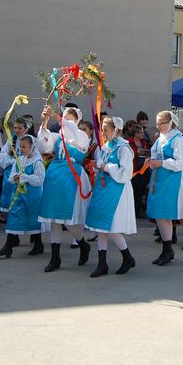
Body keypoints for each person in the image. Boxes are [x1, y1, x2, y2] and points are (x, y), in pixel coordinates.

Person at [37, 105, 93, 272]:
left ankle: (82, 243)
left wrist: (56, 116)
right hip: (55, 175)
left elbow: (72, 133)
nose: (66, 121)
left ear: (77, 120)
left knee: (67, 217)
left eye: (70, 118)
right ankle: (55, 258)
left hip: (71, 176)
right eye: (65, 118)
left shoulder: (81, 136)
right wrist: (45, 122)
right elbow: (44, 146)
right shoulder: (58, 136)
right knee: (53, 217)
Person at [84, 117, 137, 277]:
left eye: (105, 130)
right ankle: (102, 264)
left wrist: (105, 166)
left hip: (117, 192)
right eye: (102, 130)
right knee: (101, 228)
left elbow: (125, 173)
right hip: (104, 190)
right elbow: (103, 163)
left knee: (111, 228)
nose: (103, 133)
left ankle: (127, 257)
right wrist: (97, 165)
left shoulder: (124, 149)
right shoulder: (107, 146)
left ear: (115, 130)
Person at [146, 110, 183, 266]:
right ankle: (167, 249)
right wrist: (151, 161)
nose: (158, 126)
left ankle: (167, 249)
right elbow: (157, 156)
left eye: (161, 123)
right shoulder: (160, 139)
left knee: (164, 214)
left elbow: (182, 163)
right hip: (159, 179)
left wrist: (162, 163)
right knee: (159, 215)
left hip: (172, 180)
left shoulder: (178, 139)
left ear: (170, 122)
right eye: (157, 123)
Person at [0, 135, 47, 258]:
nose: (22, 149)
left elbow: (40, 179)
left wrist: (24, 178)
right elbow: (11, 175)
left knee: (32, 218)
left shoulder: (37, 162)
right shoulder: (19, 160)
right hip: (18, 195)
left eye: (25, 147)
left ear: (32, 147)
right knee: (14, 217)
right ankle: (8, 246)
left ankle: (38, 244)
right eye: (20, 147)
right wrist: (14, 178)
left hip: (32, 196)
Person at [0, 117, 31, 230]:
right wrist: (9, 152)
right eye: (15, 127)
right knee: (12, 205)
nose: (16, 130)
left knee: (24, 204)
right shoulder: (11, 140)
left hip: (24, 174)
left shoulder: (30, 140)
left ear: (25, 129)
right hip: (11, 175)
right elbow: (1, 161)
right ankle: (13, 228)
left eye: (19, 128)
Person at [127, 124, 151, 217]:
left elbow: (147, 150)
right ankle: (129, 211)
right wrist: (137, 153)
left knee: (140, 190)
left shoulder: (144, 141)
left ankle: (137, 211)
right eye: (141, 132)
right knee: (132, 190)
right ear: (136, 133)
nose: (143, 134)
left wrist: (146, 152)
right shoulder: (129, 142)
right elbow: (130, 154)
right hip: (133, 169)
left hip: (143, 170)